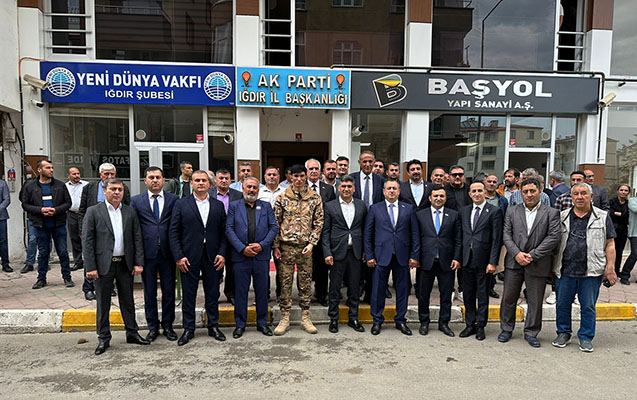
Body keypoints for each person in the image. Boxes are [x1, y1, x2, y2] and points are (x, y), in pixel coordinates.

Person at [82, 178, 149, 355]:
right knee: (103, 303)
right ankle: (104, 338)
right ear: (105, 191)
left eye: (120, 189)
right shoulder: (93, 211)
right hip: (103, 265)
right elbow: (87, 241)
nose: (117, 192)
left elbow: (137, 238)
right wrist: (90, 267)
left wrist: (138, 262)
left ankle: (132, 333)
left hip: (125, 263)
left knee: (128, 301)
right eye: (113, 189)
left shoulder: (129, 211)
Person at [552, 182, 617, 352]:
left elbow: (610, 243)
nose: (579, 197)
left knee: (588, 306)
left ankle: (586, 337)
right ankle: (563, 333)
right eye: (576, 194)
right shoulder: (562, 216)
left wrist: (610, 268)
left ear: (591, 196)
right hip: (565, 270)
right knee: (562, 304)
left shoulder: (602, 216)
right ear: (571, 197)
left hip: (591, 271)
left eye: (583, 193)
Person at [499, 178, 561, 347]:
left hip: (538, 262)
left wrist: (533, 255)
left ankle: (531, 332)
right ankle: (506, 328)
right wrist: (517, 253)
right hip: (514, 261)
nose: (529, 195)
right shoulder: (512, 211)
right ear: (521, 193)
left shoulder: (551, 213)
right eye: (525, 192)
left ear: (540, 191)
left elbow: (553, 237)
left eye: (532, 191)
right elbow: (506, 235)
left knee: (535, 300)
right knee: (509, 298)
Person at [169, 170, 228, 346]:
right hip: (188, 257)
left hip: (213, 256)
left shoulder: (218, 205)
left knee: (212, 293)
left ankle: (213, 326)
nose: (201, 183)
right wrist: (179, 256)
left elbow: (224, 232)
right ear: (192, 184)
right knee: (189, 294)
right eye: (197, 180)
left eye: (203, 180)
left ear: (209, 184)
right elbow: (173, 232)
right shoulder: (181, 204)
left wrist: (222, 253)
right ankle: (188, 328)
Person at [272, 164, 324, 336]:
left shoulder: (314, 198)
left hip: (305, 248)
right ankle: (285, 317)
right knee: (285, 283)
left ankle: (305, 317)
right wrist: (276, 246)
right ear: (290, 177)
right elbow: (275, 222)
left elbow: (318, 222)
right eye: (296, 176)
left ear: (306, 176)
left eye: (302, 176)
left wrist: (312, 243)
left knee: (305, 282)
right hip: (286, 247)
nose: (299, 179)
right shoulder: (282, 198)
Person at [364, 180, 420, 336]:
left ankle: (400, 320)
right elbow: (368, 234)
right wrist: (369, 255)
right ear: (383, 191)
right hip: (381, 256)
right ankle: (377, 321)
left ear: (399, 191)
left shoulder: (408, 208)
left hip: (402, 256)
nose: (391, 191)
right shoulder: (375, 208)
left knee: (402, 290)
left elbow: (415, 234)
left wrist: (414, 255)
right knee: (378, 290)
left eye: (394, 188)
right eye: (388, 188)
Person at [130, 167, 179, 342]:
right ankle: (152, 327)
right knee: (149, 292)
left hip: (168, 253)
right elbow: (134, 229)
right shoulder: (136, 201)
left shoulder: (174, 199)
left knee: (168, 291)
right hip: (147, 254)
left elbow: (177, 225)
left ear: (163, 180)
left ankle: (168, 325)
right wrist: (136, 257)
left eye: (158, 177)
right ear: (145, 181)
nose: (155, 180)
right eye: (151, 177)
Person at [225, 177, 278, 338]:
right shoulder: (234, 206)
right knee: (241, 292)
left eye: (254, 187)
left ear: (258, 190)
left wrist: (262, 245)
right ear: (243, 187)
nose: (251, 190)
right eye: (249, 187)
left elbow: (273, 228)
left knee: (262, 291)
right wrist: (242, 248)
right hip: (241, 256)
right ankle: (240, 325)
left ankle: (262, 323)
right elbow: (229, 229)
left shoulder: (266, 206)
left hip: (261, 256)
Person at [322, 175, 367, 333]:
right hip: (336, 253)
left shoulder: (361, 205)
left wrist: (365, 251)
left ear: (354, 189)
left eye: (349, 186)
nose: (346, 189)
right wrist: (327, 252)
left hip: (355, 252)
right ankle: (334, 319)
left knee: (354, 287)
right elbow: (325, 232)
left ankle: (353, 318)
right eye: (343, 186)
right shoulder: (330, 206)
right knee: (334, 288)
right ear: (339, 188)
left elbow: (365, 230)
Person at [79, 163, 130, 300]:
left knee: (109, 261)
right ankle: (88, 288)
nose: (109, 176)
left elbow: (127, 208)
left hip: (112, 230)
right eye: (106, 174)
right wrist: (82, 231)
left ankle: (109, 287)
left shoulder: (123, 188)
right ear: (100, 174)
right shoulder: (89, 188)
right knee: (91, 259)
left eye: (112, 174)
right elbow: (82, 211)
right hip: (94, 229)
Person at [458, 181, 502, 341]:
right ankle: (470, 324)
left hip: (484, 261)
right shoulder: (464, 211)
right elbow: (460, 236)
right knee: (468, 294)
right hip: (466, 260)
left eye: (479, 190)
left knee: (482, 295)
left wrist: (493, 262)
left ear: (485, 193)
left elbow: (497, 239)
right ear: (470, 194)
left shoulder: (494, 211)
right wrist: (458, 258)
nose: (477, 193)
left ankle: (481, 325)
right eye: (474, 191)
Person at [415, 185, 461, 337]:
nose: (438, 199)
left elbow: (458, 239)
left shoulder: (453, 215)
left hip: (446, 262)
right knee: (423, 295)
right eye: (435, 196)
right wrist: (415, 257)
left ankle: (444, 323)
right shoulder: (420, 215)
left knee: (446, 295)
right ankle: (424, 322)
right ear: (430, 198)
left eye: (441, 196)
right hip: (425, 262)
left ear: (445, 198)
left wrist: (456, 258)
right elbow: (416, 238)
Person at [20, 160, 74, 289]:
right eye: (48, 168)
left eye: (52, 167)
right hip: (40, 225)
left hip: (58, 224)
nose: (51, 170)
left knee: (62, 251)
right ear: (39, 170)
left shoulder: (60, 185)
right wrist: (40, 210)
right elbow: (25, 204)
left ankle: (67, 277)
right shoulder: (30, 186)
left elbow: (68, 203)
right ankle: (41, 278)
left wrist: (56, 210)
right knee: (43, 252)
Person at [350, 151, 385, 303]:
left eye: (370, 161)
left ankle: (370, 295)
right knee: (357, 261)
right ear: (359, 162)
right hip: (356, 225)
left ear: (374, 162)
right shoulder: (352, 178)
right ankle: (355, 293)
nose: (367, 164)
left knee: (372, 260)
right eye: (364, 161)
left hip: (376, 226)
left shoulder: (381, 180)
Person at [307, 158, 336, 306]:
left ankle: (321, 294)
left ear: (320, 172)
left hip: (323, 233)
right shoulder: (300, 187)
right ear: (307, 171)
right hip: (305, 235)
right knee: (305, 267)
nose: (313, 171)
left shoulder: (328, 189)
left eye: (316, 169)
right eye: (311, 169)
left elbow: (332, 211)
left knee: (322, 267)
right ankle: (305, 295)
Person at [213, 168, 243, 304]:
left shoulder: (239, 195)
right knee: (214, 267)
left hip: (234, 236)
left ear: (231, 180)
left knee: (232, 268)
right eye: (221, 178)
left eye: (226, 178)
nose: (224, 181)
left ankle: (231, 294)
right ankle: (214, 294)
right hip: (215, 237)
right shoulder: (208, 194)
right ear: (216, 180)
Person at [444, 165, 471, 302]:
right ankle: (449, 290)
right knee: (449, 261)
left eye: (460, 174)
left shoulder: (470, 190)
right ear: (449, 177)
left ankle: (461, 289)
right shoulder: (444, 191)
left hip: (467, 230)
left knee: (464, 261)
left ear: (464, 176)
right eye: (454, 175)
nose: (457, 177)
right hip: (449, 230)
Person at [258, 166, 284, 300]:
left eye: (274, 174)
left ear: (279, 177)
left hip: (281, 234)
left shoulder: (286, 192)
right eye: (269, 174)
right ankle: (265, 294)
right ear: (265, 177)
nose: (272, 177)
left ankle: (280, 294)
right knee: (263, 267)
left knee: (281, 267)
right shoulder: (259, 192)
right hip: (263, 234)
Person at [482, 173, 508, 299]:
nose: (492, 184)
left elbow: (505, 218)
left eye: (494, 182)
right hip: (480, 236)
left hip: (496, 236)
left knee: (494, 264)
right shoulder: (479, 197)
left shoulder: (502, 200)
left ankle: (490, 288)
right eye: (489, 181)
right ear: (485, 183)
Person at [65, 167, 88, 272]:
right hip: (71, 214)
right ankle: (78, 262)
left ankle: (88, 261)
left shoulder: (86, 185)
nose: (76, 176)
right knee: (74, 238)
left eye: (78, 173)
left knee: (86, 237)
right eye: (74, 174)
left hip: (84, 214)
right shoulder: (65, 186)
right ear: (68, 175)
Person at [609, 185, 630, 280]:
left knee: (619, 252)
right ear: (618, 191)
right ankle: (608, 270)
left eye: (626, 190)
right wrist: (619, 214)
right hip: (612, 229)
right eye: (621, 190)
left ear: (628, 193)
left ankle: (616, 271)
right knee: (610, 251)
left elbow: (627, 215)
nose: (623, 192)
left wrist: (617, 213)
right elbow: (610, 212)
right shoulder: (611, 202)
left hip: (623, 231)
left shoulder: (628, 204)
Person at [619, 190, 637, 285]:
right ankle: (624, 275)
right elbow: (635, 209)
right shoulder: (633, 201)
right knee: (635, 254)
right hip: (635, 233)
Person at [0, 177, 11, 272]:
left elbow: (7, 199)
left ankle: (5, 263)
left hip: (1, 217)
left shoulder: (2, 184)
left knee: (3, 241)